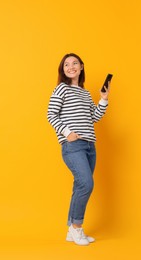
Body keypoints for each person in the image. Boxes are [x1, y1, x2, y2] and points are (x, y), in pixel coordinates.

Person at [47, 53, 110, 246]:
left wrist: (104, 99)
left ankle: (70, 232)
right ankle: (77, 228)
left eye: (75, 63)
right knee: (86, 184)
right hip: (73, 146)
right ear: (63, 69)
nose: (71, 66)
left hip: (90, 146)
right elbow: (51, 114)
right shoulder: (61, 89)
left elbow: (95, 116)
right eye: (66, 64)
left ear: (81, 67)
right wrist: (67, 133)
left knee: (79, 186)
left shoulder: (84, 93)